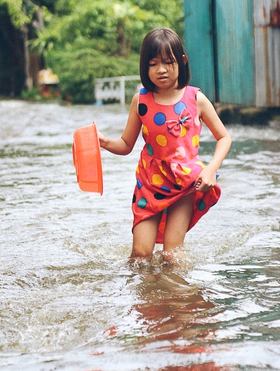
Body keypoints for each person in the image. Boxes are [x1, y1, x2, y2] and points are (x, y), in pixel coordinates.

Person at [99, 27, 231, 263]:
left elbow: (224, 137)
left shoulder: (195, 98)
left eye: (168, 62)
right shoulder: (141, 101)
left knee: (172, 255)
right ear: (144, 66)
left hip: (184, 185)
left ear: (182, 62)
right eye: (153, 63)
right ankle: (141, 296)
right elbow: (126, 144)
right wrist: (105, 142)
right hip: (149, 185)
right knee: (140, 255)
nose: (160, 70)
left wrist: (210, 169)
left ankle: (175, 298)